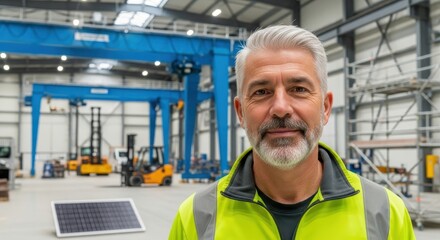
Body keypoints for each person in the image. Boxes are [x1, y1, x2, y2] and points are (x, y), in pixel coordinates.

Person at [168, 25, 415, 240]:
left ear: (325, 108)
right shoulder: (196, 217)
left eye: (298, 89)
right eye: (262, 92)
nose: (281, 109)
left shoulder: (386, 212)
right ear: (240, 112)